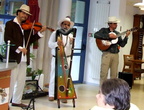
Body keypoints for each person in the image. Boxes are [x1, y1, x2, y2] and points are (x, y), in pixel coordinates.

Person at [4, 4, 46, 108]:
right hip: (14, 57)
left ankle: (16, 101)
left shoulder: (26, 27)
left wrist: (40, 33)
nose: (25, 16)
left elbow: (30, 40)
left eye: (27, 14)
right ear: (18, 12)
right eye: (23, 13)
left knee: (21, 81)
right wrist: (19, 48)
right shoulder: (10, 24)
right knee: (11, 81)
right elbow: (7, 39)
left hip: (23, 58)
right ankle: (6, 103)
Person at [94, 16, 131, 85]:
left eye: (116, 24)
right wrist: (108, 36)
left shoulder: (117, 33)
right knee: (104, 73)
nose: (116, 25)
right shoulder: (104, 30)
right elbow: (96, 35)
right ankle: (102, 91)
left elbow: (122, 44)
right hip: (106, 54)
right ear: (110, 24)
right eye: (115, 23)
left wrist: (126, 37)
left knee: (114, 74)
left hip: (115, 54)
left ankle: (113, 91)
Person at [48, 16, 74, 103]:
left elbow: (71, 47)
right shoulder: (55, 33)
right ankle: (51, 94)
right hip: (56, 58)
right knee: (53, 76)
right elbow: (49, 44)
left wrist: (71, 42)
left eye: (68, 25)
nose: (66, 26)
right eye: (65, 24)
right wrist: (56, 43)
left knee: (66, 78)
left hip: (67, 59)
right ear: (61, 25)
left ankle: (63, 95)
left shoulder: (70, 35)